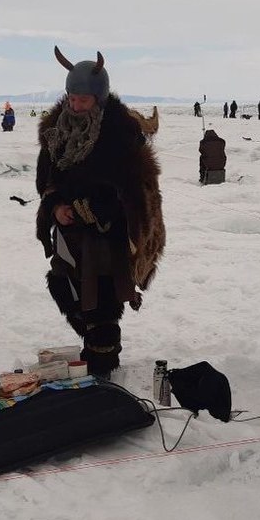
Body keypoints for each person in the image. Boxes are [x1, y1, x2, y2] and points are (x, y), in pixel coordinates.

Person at [36, 47, 165, 378]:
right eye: (72, 98)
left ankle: (103, 360)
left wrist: (94, 210)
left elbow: (135, 189)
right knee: (63, 285)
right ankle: (94, 341)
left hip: (109, 233)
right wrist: (57, 207)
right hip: (68, 231)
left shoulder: (121, 133)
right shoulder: (55, 131)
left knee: (104, 300)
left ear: (99, 97)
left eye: (83, 100)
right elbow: (46, 180)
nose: (76, 105)